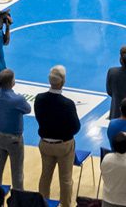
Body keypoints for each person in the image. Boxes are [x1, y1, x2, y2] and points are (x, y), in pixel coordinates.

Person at [35, 65, 80, 207]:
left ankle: (42, 203)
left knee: (45, 176)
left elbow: (39, 117)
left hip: (45, 143)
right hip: (63, 145)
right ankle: (65, 205)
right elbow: (76, 127)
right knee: (65, 179)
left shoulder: (39, 99)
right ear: (63, 82)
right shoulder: (67, 104)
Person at [0, 68, 31, 192]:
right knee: (17, 174)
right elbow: (28, 109)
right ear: (12, 82)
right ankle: (18, 198)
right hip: (14, 141)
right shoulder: (18, 99)